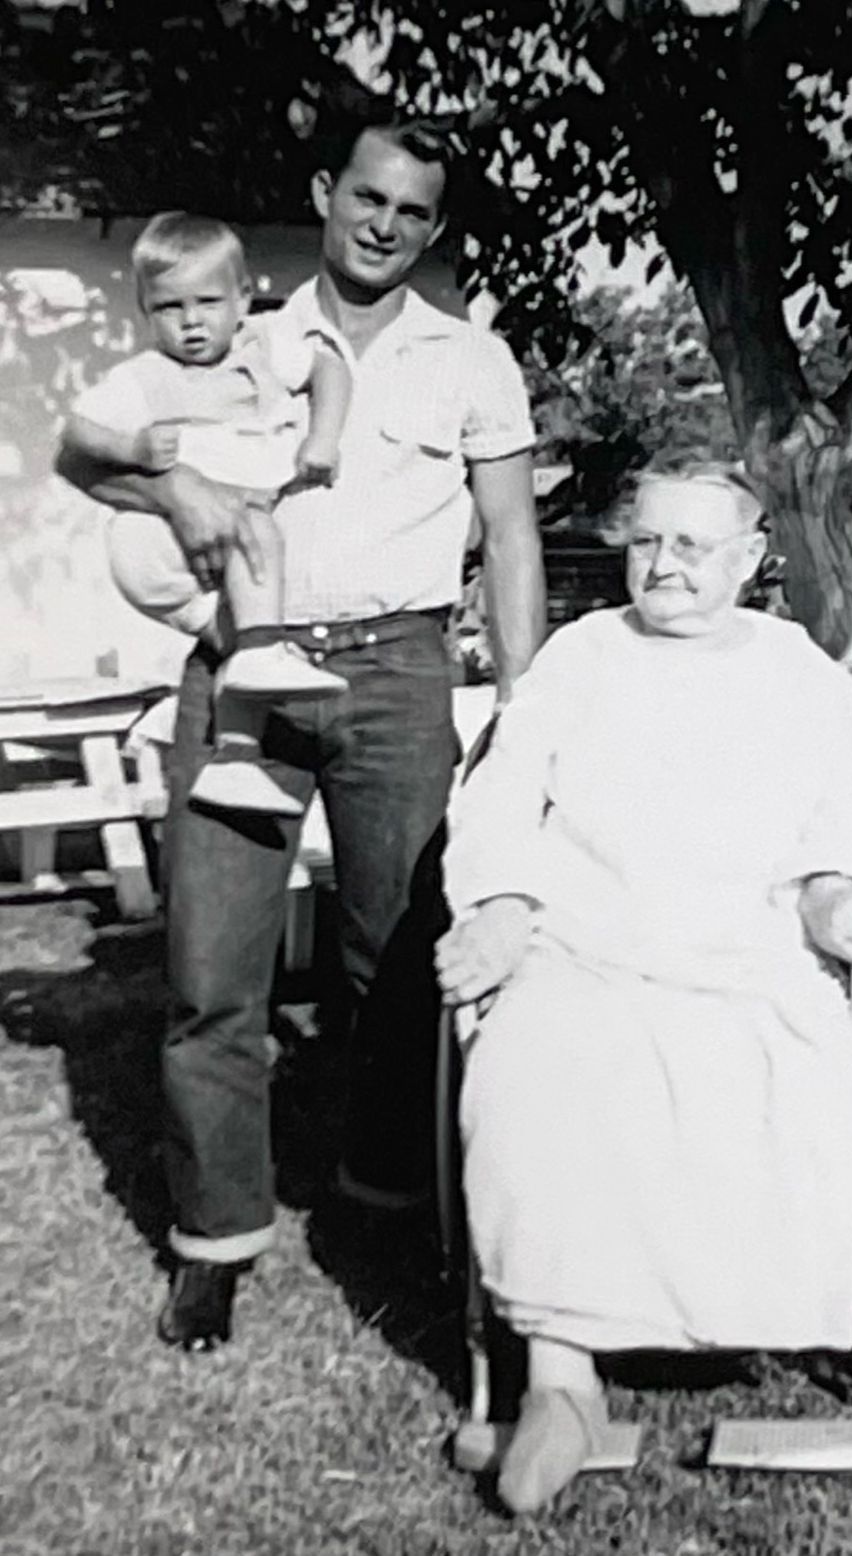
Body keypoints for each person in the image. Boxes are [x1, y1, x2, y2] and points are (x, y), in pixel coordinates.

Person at [58, 117, 547, 1350]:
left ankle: (389, 1200)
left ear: (435, 228)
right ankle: (214, 1238)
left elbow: (512, 535)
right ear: (327, 192)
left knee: (400, 960)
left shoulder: (472, 357)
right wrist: (175, 487)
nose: (385, 225)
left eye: (414, 212)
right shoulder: (243, 336)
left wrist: (529, 706)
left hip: (398, 671)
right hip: (243, 669)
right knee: (212, 971)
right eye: (368, 197)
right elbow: (86, 455)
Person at [437, 464, 852, 1515]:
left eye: (692, 546)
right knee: (536, 1064)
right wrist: (502, 902)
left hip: (752, 944)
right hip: (589, 938)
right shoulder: (579, 656)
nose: (664, 566)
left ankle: (795, 1313)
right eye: (647, 542)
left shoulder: (793, 668)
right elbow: (501, 791)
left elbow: (849, 799)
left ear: (749, 560)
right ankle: (561, 1382)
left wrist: (833, 889)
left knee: (792, 1077)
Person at [66, 211, 355, 817]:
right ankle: (262, 655)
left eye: (208, 302)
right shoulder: (145, 376)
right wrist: (132, 447)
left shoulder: (265, 344)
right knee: (258, 561)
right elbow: (78, 432)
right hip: (154, 542)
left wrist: (323, 437)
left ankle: (235, 758)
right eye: (169, 307)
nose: (191, 321)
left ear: (244, 298)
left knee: (241, 645)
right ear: (145, 310)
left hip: (194, 563)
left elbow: (331, 367)